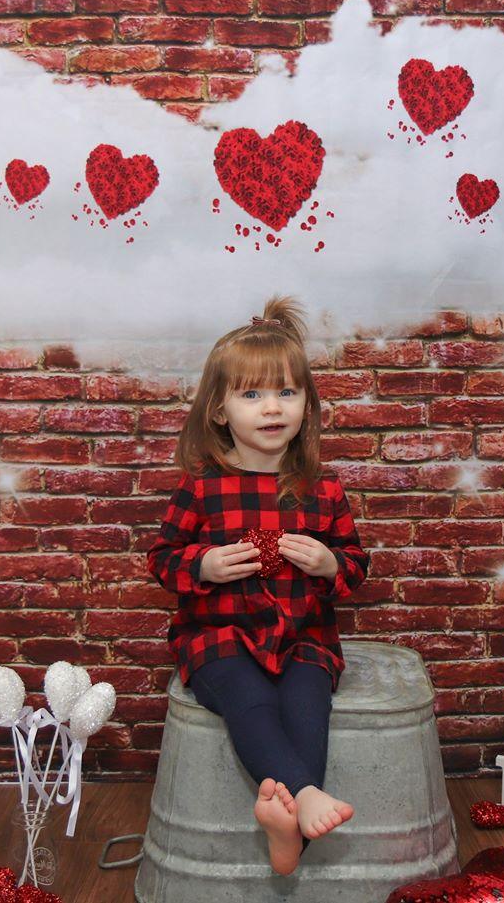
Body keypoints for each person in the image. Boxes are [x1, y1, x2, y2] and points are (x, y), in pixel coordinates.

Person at [147, 294, 370, 876]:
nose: (272, 408)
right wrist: (203, 565)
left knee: (306, 706)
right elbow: (162, 559)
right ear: (219, 411)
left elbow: (356, 567)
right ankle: (306, 799)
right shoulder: (201, 487)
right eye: (251, 395)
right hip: (218, 636)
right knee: (249, 700)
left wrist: (329, 563)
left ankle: (287, 827)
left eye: (286, 392)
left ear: (307, 405)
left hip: (304, 637)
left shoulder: (324, 488)